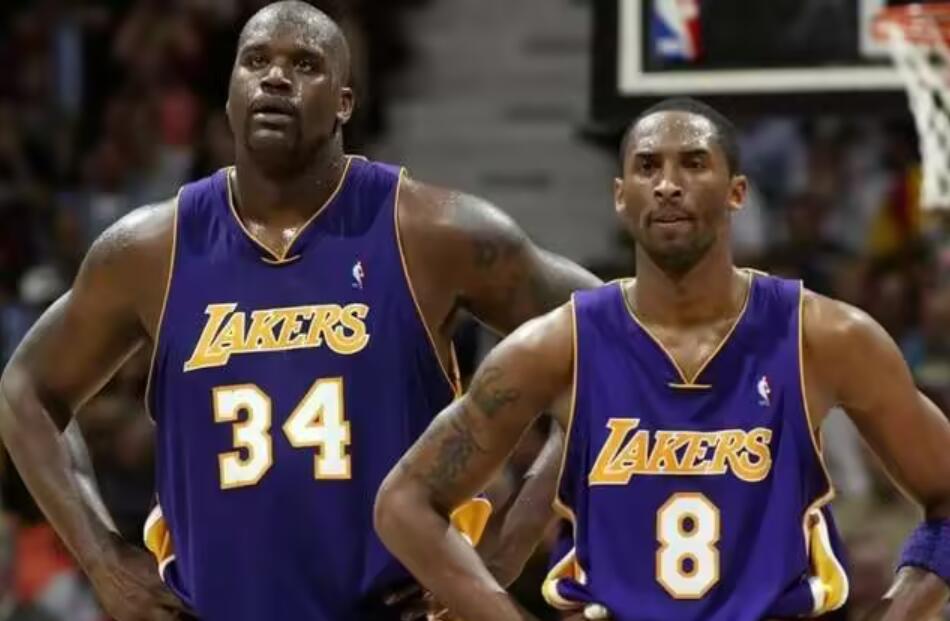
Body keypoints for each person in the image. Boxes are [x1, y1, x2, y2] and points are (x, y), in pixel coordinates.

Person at [0, 2, 598, 620]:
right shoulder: (151, 249)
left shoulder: (431, 231)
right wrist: (101, 559)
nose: (276, 78)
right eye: (255, 61)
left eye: (305, 64)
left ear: (344, 103)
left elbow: (617, 340)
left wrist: (509, 544)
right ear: (229, 94)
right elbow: (25, 392)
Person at [374, 98, 950, 621]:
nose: (668, 185)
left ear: (737, 192)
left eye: (694, 164)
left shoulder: (824, 336)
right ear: (620, 196)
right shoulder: (557, 345)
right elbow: (405, 504)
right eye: (648, 167)